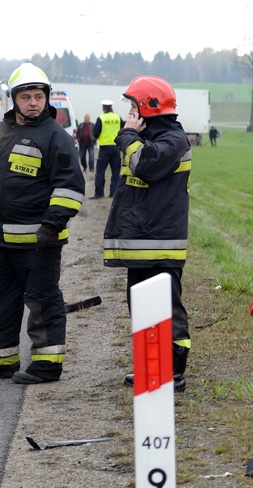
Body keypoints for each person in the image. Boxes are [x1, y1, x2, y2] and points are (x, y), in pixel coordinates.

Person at [104, 76, 192, 392]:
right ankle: (150, 367)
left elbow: (144, 164)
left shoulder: (173, 140)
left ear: (147, 107)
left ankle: (174, 372)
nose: (129, 113)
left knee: (168, 309)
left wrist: (128, 135)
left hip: (161, 243)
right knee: (141, 307)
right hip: (142, 241)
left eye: (132, 106)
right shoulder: (150, 137)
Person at [0, 63, 84, 383]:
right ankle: (4, 360)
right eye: (26, 96)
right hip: (3, 242)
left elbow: (70, 187)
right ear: (14, 100)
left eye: (38, 96)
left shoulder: (55, 137)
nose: (33, 102)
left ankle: (47, 365)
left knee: (41, 300)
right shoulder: (3, 132)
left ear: (47, 99)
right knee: (4, 302)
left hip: (39, 241)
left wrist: (51, 225)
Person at [90, 100, 123, 199]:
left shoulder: (101, 118)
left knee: (100, 171)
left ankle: (99, 193)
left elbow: (96, 133)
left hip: (104, 148)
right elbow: (123, 128)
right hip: (116, 148)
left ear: (103, 108)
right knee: (116, 171)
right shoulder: (118, 117)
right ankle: (114, 192)